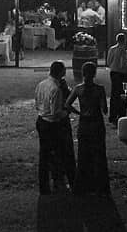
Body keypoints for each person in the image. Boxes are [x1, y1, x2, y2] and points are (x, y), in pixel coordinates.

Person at [65, 61, 110, 196]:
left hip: (84, 122)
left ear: (83, 73)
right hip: (96, 123)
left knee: (83, 154)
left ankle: (83, 185)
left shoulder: (78, 89)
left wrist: (79, 112)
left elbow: (67, 104)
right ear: (94, 73)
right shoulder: (99, 89)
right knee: (99, 154)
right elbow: (104, 110)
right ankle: (100, 186)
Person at [34, 61, 72, 194]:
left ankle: (44, 186)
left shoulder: (41, 84)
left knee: (44, 155)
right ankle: (58, 181)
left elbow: (37, 104)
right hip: (52, 125)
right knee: (57, 154)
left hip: (41, 120)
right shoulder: (56, 89)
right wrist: (66, 112)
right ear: (61, 73)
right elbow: (56, 113)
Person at [105, 33, 127, 125]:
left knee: (114, 94)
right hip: (122, 74)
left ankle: (112, 115)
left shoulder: (112, 49)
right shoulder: (123, 50)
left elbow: (108, 61)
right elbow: (123, 63)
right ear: (124, 40)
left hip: (114, 72)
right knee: (123, 93)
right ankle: (121, 114)